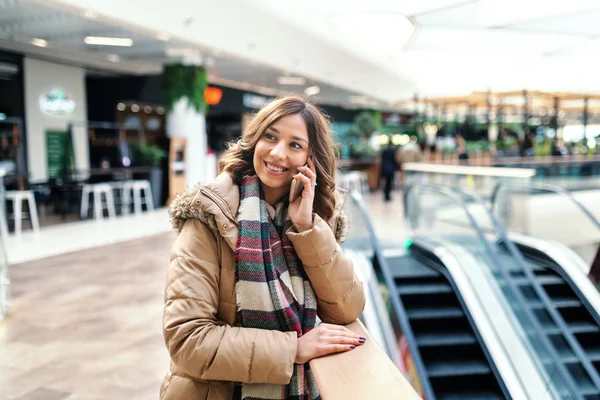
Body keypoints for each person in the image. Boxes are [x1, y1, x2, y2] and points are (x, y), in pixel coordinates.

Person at [161, 96, 366, 400]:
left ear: (312, 159)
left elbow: (347, 308)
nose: (278, 153)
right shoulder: (208, 218)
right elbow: (187, 340)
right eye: (270, 137)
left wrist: (307, 229)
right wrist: (294, 349)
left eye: (295, 145)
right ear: (254, 140)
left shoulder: (316, 222)